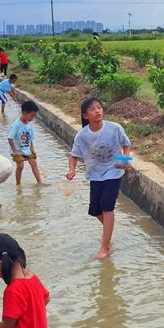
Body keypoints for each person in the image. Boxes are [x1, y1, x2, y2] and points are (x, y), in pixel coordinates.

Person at [66, 97, 131, 260]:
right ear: (85, 115)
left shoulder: (114, 128)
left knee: (107, 206)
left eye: (99, 107)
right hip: (95, 175)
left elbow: (126, 144)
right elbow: (73, 155)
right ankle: (108, 231)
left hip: (114, 171)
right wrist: (71, 170)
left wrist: (125, 159)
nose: (98, 111)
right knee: (95, 210)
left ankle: (105, 246)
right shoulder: (82, 135)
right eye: (93, 109)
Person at [8, 100, 44, 186]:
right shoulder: (16, 124)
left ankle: (40, 183)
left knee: (34, 163)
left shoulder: (30, 123)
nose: (33, 118)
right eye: (32, 115)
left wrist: (32, 148)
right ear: (24, 113)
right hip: (18, 150)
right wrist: (15, 151)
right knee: (20, 166)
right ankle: (18, 184)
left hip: (27, 149)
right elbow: (10, 138)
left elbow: (31, 137)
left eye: (34, 115)